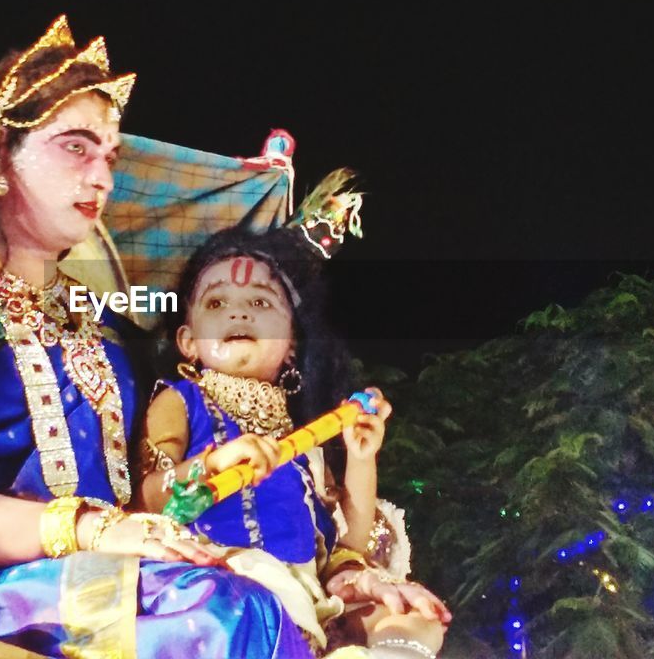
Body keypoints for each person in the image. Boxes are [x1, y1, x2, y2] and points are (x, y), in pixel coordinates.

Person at [0, 16, 316, 658]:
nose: (102, 177)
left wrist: (204, 474)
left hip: (107, 578)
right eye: (75, 146)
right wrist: (83, 527)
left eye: (108, 156)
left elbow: (136, 503)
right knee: (229, 616)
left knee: (263, 599)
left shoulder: (96, 325)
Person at [135, 200, 452, 658]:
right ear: (187, 340)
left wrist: (361, 459)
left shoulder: (306, 438)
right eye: (217, 302)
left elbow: (348, 546)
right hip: (216, 580)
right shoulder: (180, 401)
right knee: (250, 606)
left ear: (290, 345)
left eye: (260, 302)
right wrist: (208, 465)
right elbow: (147, 496)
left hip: (304, 593)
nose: (238, 314)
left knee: (414, 620)